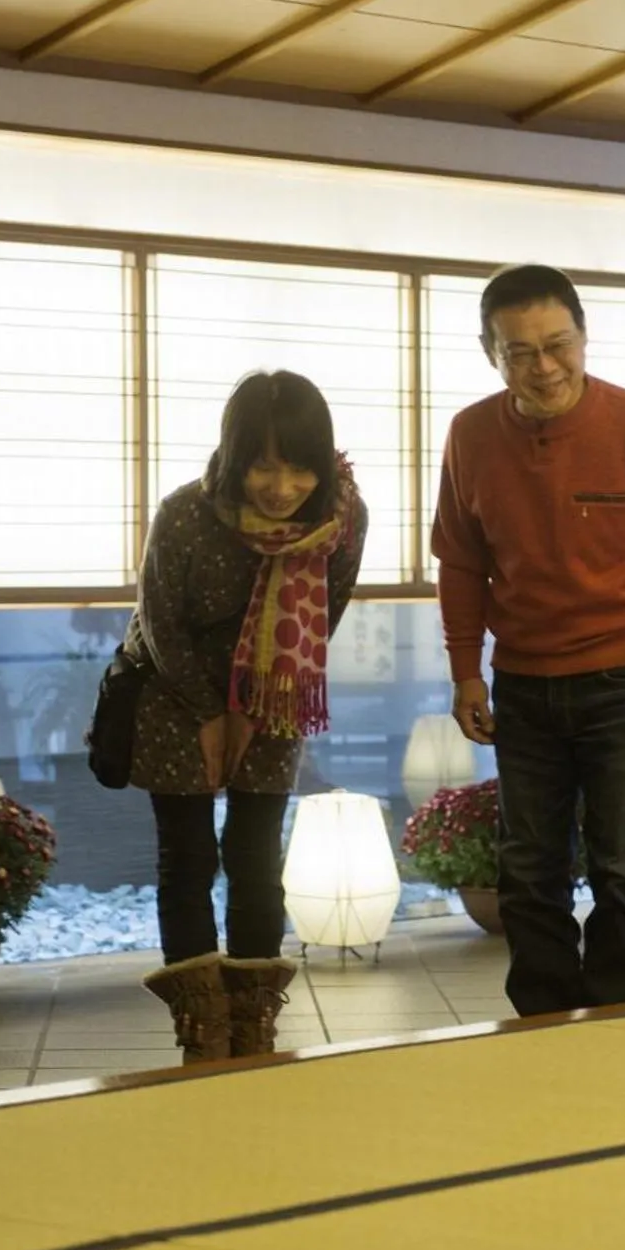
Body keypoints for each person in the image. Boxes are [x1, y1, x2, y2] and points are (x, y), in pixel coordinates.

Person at [431, 265, 625, 1017]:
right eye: (519, 351)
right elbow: (460, 563)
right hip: (522, 681)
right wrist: (466, 673)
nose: (543, 365)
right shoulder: (471, 434)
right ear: (490, 351)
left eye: (558, 344)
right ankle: (547, 1020)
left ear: (584, 337)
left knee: (623, 866)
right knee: (530, 868)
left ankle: (615, 1018)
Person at [127, 370, 366, 1063]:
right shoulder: (184, 514)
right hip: (176, 696)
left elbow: (328, 608)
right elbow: (159, 622)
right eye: (263, 464)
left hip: (274, 691)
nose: (281, 485)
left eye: (299, 466)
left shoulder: (340, 520)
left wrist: (254, 707)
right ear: (234, 456)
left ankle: (254, 1020)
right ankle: (201, 1023)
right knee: (189, 858)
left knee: (257, 859)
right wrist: (209, 711)